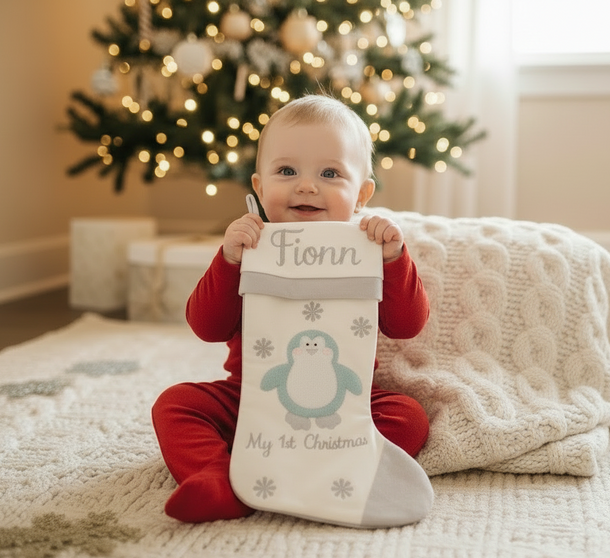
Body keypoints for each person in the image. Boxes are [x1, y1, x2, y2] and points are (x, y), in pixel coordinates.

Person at [151, 94, 430, 523]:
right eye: (286, 171)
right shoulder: (251, 244)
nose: (306, 185)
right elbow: (207, 327)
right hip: (249, 397)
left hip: (344, 404)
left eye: (330, 173)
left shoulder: (369, 247)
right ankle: (223, 479)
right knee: (176, 404)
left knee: (408, 417)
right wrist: (228, 261)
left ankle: (327, 469)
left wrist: (394, 259)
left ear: (361, 194)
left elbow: (406, 325)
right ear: (260, 188)